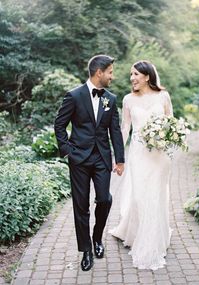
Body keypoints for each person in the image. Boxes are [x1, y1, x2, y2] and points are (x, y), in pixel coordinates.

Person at [54, 54, 125, 271]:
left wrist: (120, 159)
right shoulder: (74, 96)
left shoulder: (110, 99)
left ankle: (97, 238)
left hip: (102, 158)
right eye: (110, 72)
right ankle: (86, 250)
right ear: (99, 72)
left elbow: (115, 131)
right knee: (81, 206)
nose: (112, 76)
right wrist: (68, 152)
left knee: (104, 199)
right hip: (79, 159)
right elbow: (59, 125)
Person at [110, 60, 173, 270]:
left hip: (159, 156)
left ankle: (155, 239)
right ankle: (136, 232)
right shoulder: (128, 99)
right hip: (138, 154)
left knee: (155, 195)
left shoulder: (163, 96)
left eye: (136, 74)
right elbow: (124, 129)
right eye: (131, 74)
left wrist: (167, 139)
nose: (132, 78)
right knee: (138, 196)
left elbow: (170, 123)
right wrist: (119, 157)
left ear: (147, 76)